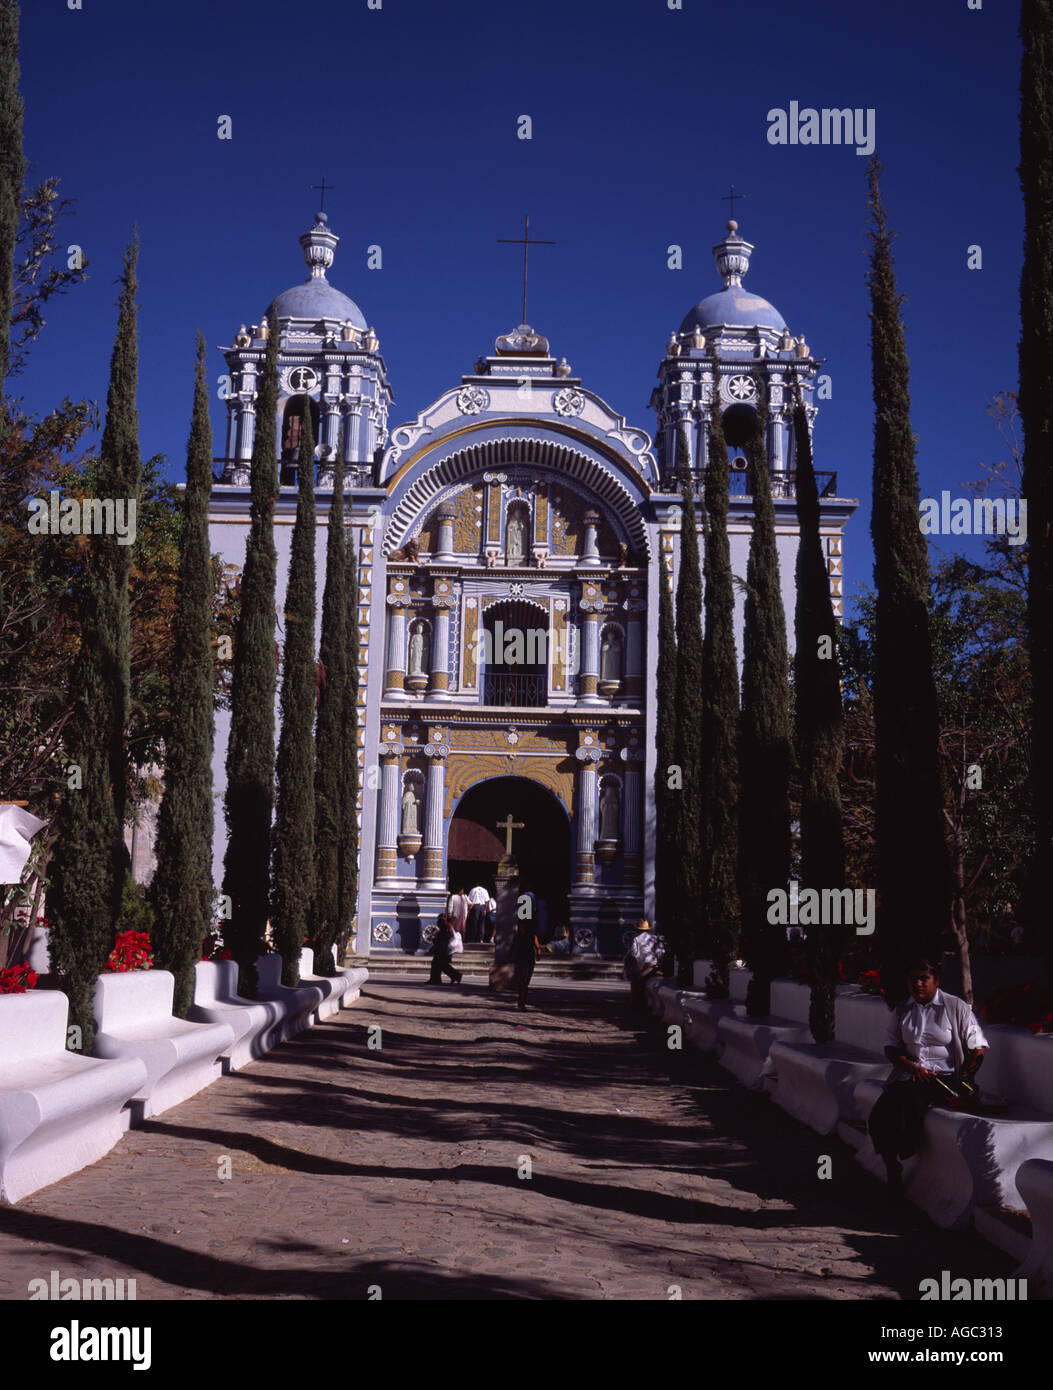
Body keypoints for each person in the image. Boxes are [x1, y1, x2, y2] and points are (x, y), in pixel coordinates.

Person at [867, 958, 989, 1195]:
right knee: (880, 1115)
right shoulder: (902, 1009)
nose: (918, 983)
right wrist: (911, 1067)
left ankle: (907, 1148)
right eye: (913, 979)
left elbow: (979, 1047)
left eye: (924, 978)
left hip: (944, 1078)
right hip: (908, 1076)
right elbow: (890, 1047)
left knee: (910, 1103)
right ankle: (893, 1168)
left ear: (937, 981)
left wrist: (964, 1078)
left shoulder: (956, 1008)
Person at [623, 919, 666, 1014]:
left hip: (645, 966)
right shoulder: (654, 938)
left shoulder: (636, 939)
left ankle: (637, 1005)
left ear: (638, 929)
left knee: (636, 982)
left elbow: (634, 953)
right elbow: (661, 952)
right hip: (655, 964)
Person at [510, 917, 540, 1010]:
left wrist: (538, 955)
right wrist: (510, 957)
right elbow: (512, 948)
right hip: (519, 961)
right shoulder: (517, 936)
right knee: (520, 982)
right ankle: (521, 1001)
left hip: (529, 961)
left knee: (524, 983)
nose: (521, 927)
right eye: (520, 926)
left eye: (523, 926)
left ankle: (522, 1002)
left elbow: (538, 947)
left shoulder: (532, 936)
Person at [428, 913, 462, 985]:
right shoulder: (446, 926)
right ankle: (455, 976)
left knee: (439, 964)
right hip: (442, 949)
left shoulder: (447, 926)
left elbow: (446, 937)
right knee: (440, 965)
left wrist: (437, 938)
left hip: (443, 949)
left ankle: (455, 976)